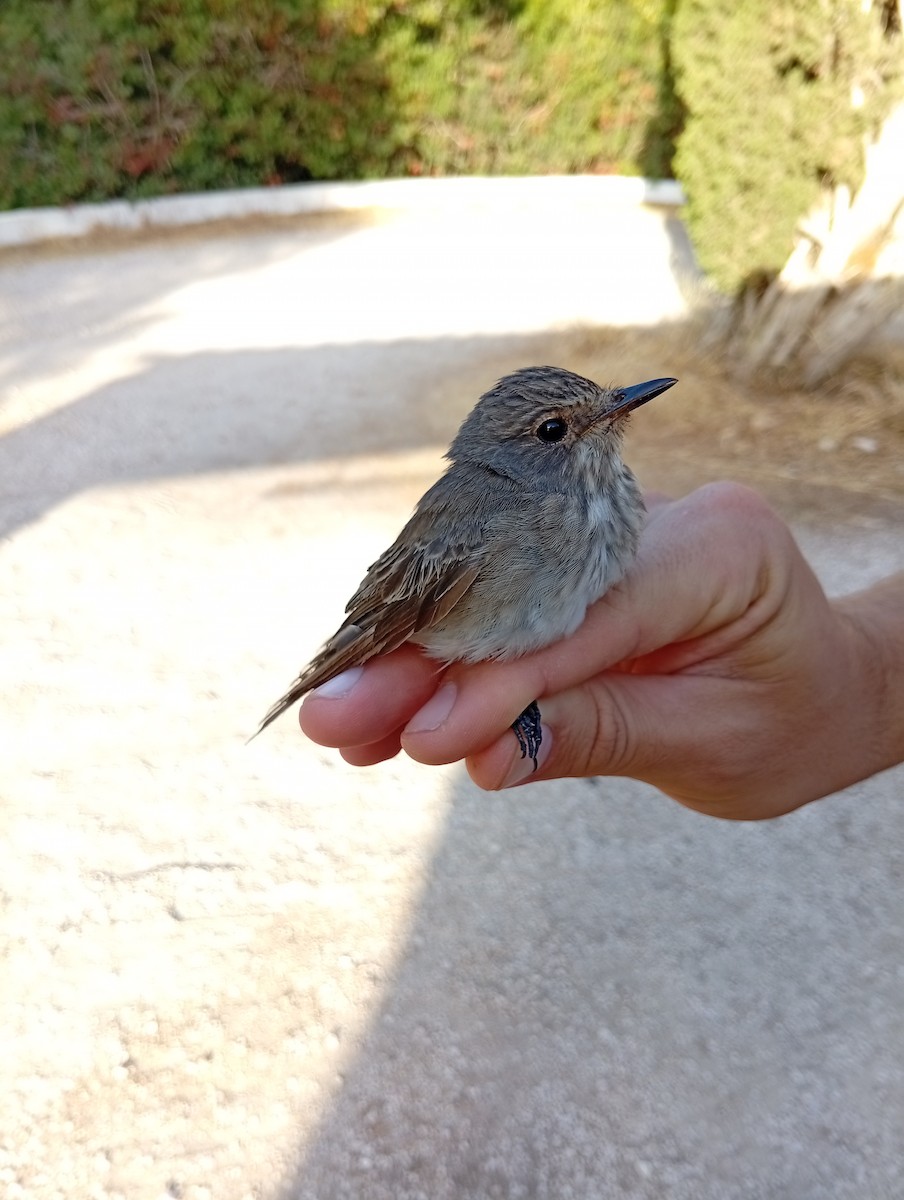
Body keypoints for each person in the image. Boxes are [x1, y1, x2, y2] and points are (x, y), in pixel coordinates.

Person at [298, 482, 904, 821]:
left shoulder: (612, 495)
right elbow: (387, 608)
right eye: (557, 428)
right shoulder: (484, 521)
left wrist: (867, 688)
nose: (610, 416)